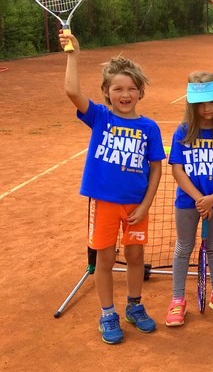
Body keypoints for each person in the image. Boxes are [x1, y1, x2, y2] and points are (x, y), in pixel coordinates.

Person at [61, 32, 165, 345]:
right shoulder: (100, 117)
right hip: (104, 204)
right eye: (117, 88)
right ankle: (108, 313)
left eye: (132, 88)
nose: (125, 93)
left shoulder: (149, 127)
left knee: (135, 258)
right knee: (104, 262)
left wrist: (146, 204)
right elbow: (71, 91)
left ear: (140, 92)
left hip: (135, 205)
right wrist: (73, 55)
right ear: (106, 93)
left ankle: (134, 305)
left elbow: (157, 167)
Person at [166, 71, 213, 326]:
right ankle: (177, 299)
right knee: (183, 248)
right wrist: (200, 198)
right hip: (188, 202)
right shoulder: (183, 131)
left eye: (212, 102)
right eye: (201, 104)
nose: (207, 108)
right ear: (192, 104)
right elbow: (177, 169)